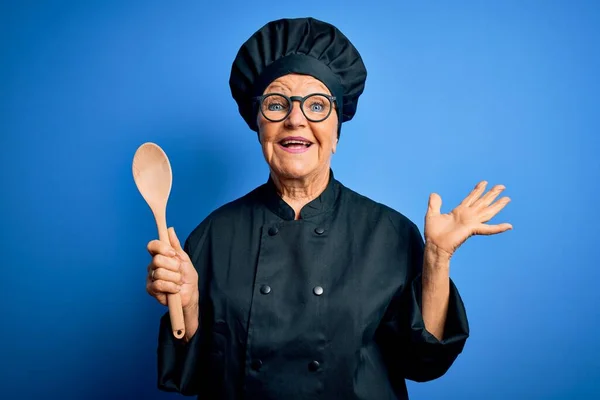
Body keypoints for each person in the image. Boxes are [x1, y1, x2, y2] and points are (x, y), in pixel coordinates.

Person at [145, 17, 512, 399]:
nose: (295, 119)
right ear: (259, 126)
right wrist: (186, 305)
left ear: (336, 131)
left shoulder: (388, 233)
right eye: (276, 104)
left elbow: (423, 362)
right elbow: (192, 375)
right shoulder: (213, 235)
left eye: (317, 105)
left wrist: (436, 258)